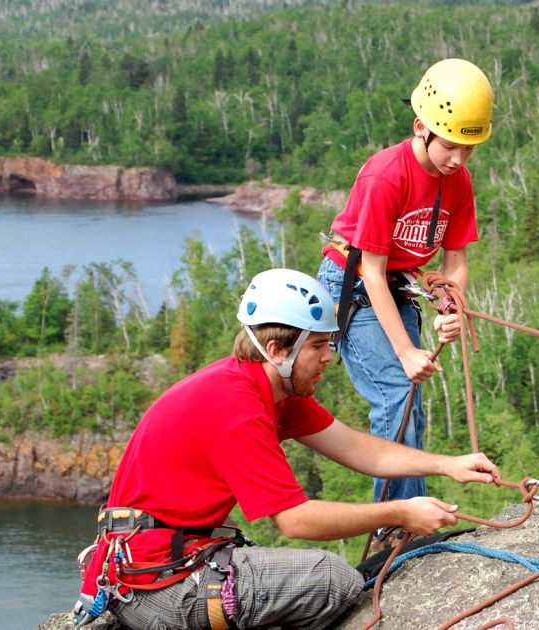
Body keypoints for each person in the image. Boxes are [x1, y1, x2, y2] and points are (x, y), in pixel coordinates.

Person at [73, 268, 500, 630]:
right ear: (277, 350)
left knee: (310, 576)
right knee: (330, 577)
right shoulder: (236, 407)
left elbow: (358, 449)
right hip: (157, 587)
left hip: (161, 567)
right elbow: (295, 520)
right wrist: (401, 512)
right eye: (317, 346)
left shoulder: (273, 391)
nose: (328, 357)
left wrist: (448, 465)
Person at [317, 57, 493, 503]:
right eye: (450, 145)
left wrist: (451, 306)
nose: (458, 159)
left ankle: (407, 514)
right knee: (396, 394)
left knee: (411, 403)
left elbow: (456, 261)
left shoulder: (458, 180)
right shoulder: (386, 175)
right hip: (354, 283)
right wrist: (405, 350)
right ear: (421, 127)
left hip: (399, 283)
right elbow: (371, 271)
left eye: (468, 149)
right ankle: (400, 521)